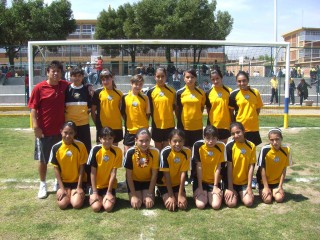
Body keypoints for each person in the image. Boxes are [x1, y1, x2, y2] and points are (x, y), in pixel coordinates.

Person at [28, 60, 69, 199]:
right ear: (48, 72)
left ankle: (59, 183)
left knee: (61, 159)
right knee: (43, 160)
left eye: (58, 71)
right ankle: (42, 184)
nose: (56, 73)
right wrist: (36, 127)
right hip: (44, 131)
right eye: (53, 71)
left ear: (61, 73)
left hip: (62, 132)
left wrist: (88, 87)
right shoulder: (39, 88)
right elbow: (33, 109)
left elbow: (77, 85)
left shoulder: (65, 86)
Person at [49, 121, 88, 209]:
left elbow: (82, 167)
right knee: (62, 205)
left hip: (77, 181)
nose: (67, 136)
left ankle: (73, 192)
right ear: (61, 131)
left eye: (71, 133)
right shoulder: (56, 147)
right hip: (64, 182)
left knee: (76, 204)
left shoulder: (80, 146)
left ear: (75, 133)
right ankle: (67, 191)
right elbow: (56, 168)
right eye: (65, 132)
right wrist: (62, 188)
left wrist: (79, 187)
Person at [176, 68, 206, 184]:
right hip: (184, 127)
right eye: (187, 77)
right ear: (184, 78)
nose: (190, 79)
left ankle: (194, 175)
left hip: (197, 127)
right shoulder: (179, 93)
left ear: (195, 78)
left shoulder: (201, 93)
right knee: (185, 151)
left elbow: (202, 107)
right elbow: (177, 110)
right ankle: (185, 175)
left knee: (195, 152)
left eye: (192, 77)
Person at [65, 67, 92, 189]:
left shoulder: (87, 89)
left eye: (79, 76)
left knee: (85, 151)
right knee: (72, 152)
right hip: (71, 127)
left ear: (82, 77)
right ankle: (72, 178)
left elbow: (91, 107)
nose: (77, 78)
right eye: (74, 75)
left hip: (84, 125)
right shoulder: (66, 89)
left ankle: (87, 180)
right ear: (70, 76)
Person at [87, 127, 122, 212]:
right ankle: (96, 195)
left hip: (109, 186)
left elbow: (113, 173)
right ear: (100, 139)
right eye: (104, 138)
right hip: (97, 186)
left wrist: (109, 192)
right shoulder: (95, 150)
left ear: (113, 139)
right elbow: (92, 173)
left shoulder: (117, 151)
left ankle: (107, 196)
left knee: (108, 208)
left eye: (110, 138)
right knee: (96, 208)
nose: (107, 141)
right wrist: (94, 192)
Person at [123, 128, 159, 209]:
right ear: (136, 140)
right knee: (137, 204)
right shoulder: (130, 152)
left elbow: (154, 175)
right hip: (134, 181)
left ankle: (152, 192)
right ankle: (135, 193)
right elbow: (128, 176)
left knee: (148, 204)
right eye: (141, 141)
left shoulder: (155, 152)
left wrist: (149, 194)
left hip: (148, 181)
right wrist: (134, 196)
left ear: (150, 140)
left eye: (147, 140)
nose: (144, 144)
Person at [192, 125, 225, 210]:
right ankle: (202, 193)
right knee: (201, 205)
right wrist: (200, 187)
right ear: (204, 137)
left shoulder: (221, 146)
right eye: (208, 138)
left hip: (213, 182)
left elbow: (218, 167)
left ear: (217, 138)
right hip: (201, 181)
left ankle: (209, 193)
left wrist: (215, 186)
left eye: (214, 138)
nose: (210, 141)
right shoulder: (198, 145)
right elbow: (198, 167)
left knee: (215, 205)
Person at [223, 122, 256, 208]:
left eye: (238, 132)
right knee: (231, 204)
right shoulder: (229, 146)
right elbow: (229, 168)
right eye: (233, 134)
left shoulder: (251, 146)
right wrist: (230, 187)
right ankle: (232, 193)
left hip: (244, 183)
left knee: (249, 202)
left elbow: (251, 167)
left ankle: (241, 193)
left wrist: (249, 186)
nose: (236, 135)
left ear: (244, 131)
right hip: (231, 182)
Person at [157, 129, 191, 211]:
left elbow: (183, 173)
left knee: (182, 206)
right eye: (174, 141)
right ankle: (160, 191)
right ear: (169, 141)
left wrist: (180, 195)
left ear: (184, 142)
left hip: (177, 184)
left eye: (180, 141)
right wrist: (171, 196)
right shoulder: (165, 152)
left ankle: (177, 194)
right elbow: (166, 175)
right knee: (171, 207)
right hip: (165, 184)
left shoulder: (187, 152)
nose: (177, 144)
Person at [256, 128, 292, 204]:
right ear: (269, 140)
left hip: (276, 182)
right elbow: (261, 169)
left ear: (281, 138)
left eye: (277, 139)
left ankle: (274, 190)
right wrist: (266, 187)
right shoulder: (265, 149)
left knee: (279, 199)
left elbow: (284, 169)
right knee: (267, 200)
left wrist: (280, 186)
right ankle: (261, 188)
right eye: (272, 140)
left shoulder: (286, 149)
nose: (275, 142)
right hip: (264, 181)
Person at [229, 71, 264, 146]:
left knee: (252, 149)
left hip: (253, 127)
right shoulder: (234, 94)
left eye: (244, 80)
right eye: (239, 81)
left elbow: (258, 108)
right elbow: (231, 111)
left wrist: (252, 117)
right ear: (236, 82)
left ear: (248, 80)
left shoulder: (255, 92)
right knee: (240, 148)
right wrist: (234, 124)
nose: (242, 83)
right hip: (240, 128)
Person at [91, 69, 123, 146]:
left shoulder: (119, 94)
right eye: (103, 80)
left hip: (116, 126)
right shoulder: (97, 93)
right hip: (102, 126)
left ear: (112, 78)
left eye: (107, 79)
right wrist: (97, 124)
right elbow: (93, 111)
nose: (105, 82)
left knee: (114, 150)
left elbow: (121, 110)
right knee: (100, 150)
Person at [147, 67, 176, 151]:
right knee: (158, 150)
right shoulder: (150, 92)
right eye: (158, 76)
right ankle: (158, 165)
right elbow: (148, 111)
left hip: (169, 125)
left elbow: (175, 108)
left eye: (162, 76)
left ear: (166, 77)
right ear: (154, 77)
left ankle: (165, 165)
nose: (160, 79)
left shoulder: (172, 91)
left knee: (166, 150)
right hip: (157, 125)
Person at [121, 74, 150, 154]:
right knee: (127, 154)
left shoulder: (145, 98)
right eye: (136, 84)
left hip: (142, 130)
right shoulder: (125, 97)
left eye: (140, 84)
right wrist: (129, 121)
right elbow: (123, 113)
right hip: (130, 130)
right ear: (131, 83)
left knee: (143, 153)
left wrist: (143, 123)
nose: (138, 86)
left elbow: (147, 114)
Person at [206, 68, 232, 143]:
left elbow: (231, 109)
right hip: (213, 125)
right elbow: (208, 109)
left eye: (217, 78)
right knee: (212, 146)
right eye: (213, 79)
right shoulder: (208, 93)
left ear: (221, 77)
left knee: (222, 147)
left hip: (225, 124)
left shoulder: (229, 91)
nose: (215, 81)